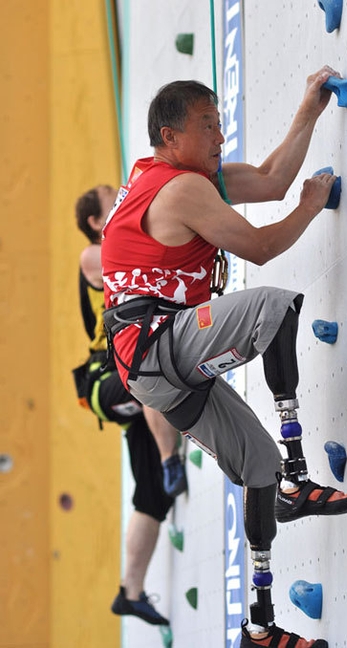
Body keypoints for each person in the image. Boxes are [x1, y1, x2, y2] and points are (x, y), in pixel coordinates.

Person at [101, 66, 347, 647]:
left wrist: (309, 108)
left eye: (220, 122)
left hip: (151, 369)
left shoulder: (179, 176)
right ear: (170, 138)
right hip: (156, 343)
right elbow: (262, 247)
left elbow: (271, 179)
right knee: (273, 307)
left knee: (256, 467)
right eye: (208, 125)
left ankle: (260, 628)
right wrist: (312, 204)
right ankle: (299, 481)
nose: (221, 136)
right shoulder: (183, 187)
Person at [74, 184, 187, 625]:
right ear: (96, 223)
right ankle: (170, 457)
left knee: (152, 497)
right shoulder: (91, 255)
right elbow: (136, 261)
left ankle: (130, 591)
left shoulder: (115, 239)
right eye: (111, 201)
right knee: (146, 375)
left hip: (125, 371)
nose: (121, 200)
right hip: (105, 379)